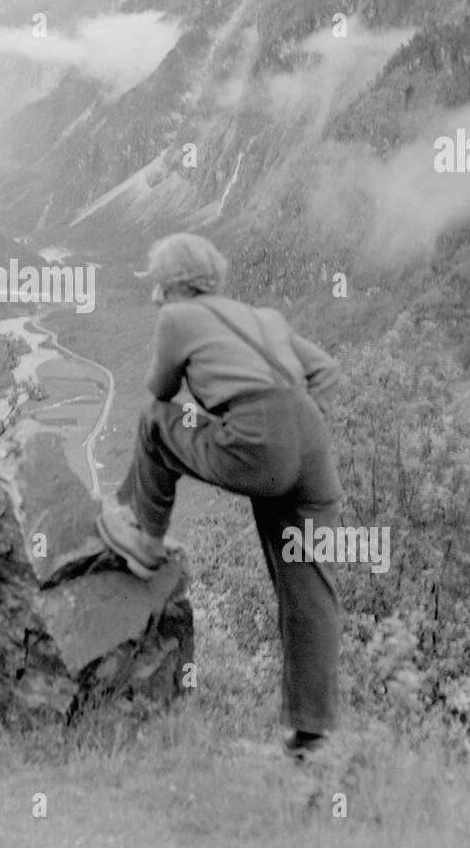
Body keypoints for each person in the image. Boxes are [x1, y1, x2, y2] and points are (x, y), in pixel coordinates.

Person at [95, 232, 343, 758]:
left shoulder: (177, 319)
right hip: (313, 449)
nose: (154, 298)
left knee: (156, 422)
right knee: (311, 594)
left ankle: (143, 534)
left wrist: (250, 426)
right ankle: (311, 740)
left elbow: (161, 393)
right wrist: (291, 425)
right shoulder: (266, 317)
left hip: (257, 442)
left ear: (173, 286)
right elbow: (324, 370)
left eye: (158, 287)